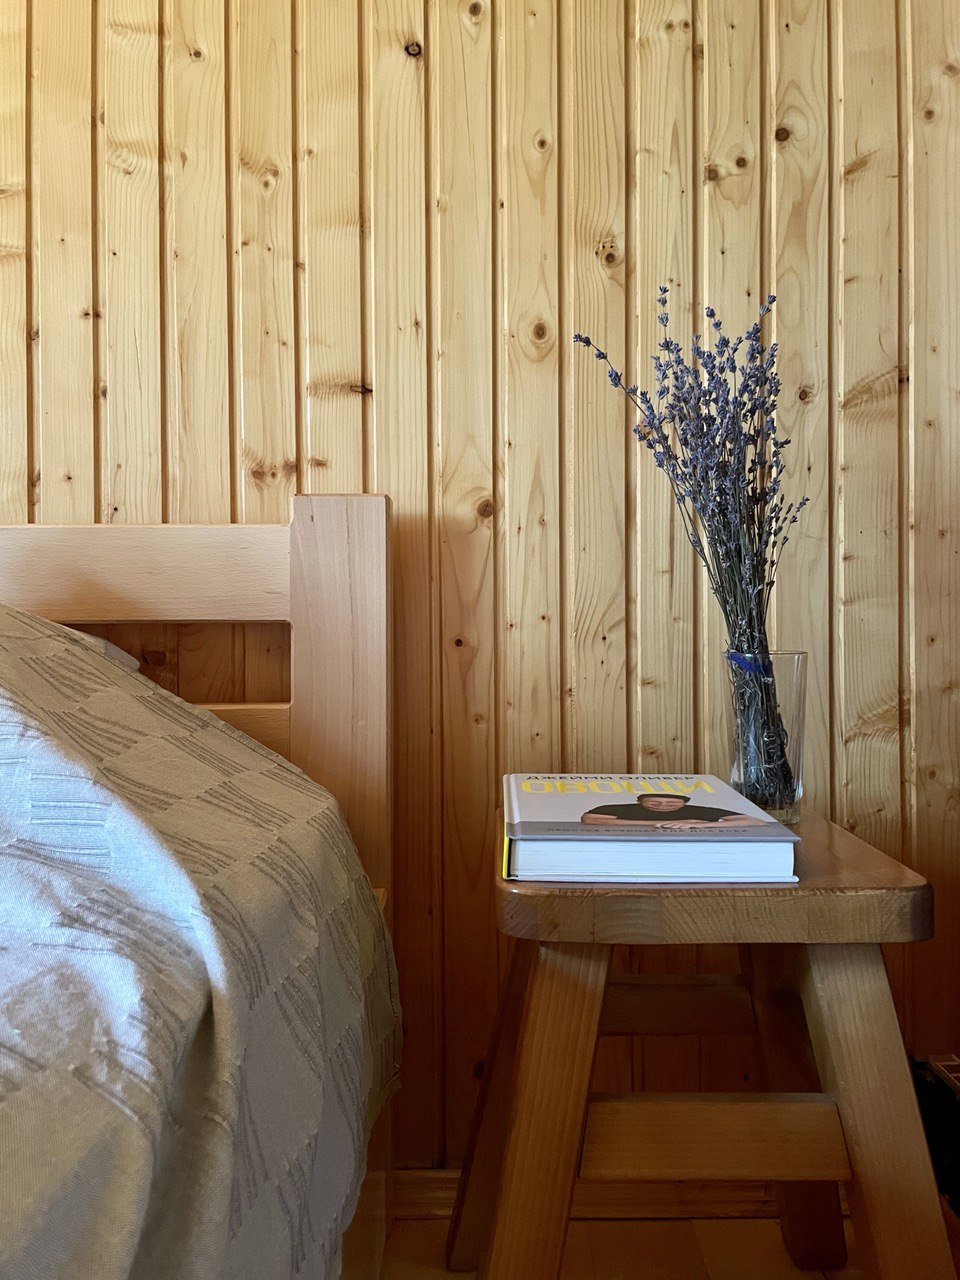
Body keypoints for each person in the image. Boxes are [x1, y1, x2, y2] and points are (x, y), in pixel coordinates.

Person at [580, 792, 765, 829]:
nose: (662, 806)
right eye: (654, 803)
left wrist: (701, 826)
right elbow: (589, 818)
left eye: (670, 803)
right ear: (640, 802)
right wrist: (653, 823)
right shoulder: (624, 808)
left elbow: (757, 821)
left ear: (684, 804)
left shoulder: (702, 811)